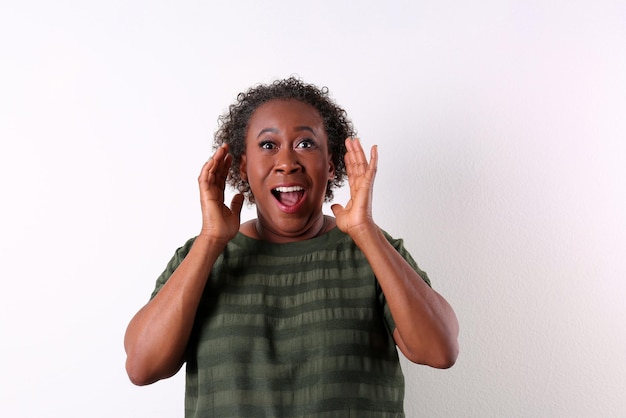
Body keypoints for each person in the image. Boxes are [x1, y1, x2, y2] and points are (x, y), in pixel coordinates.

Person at [124, 77, 459, 417]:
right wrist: (211, 239)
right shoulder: (200, 258)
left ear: (330, 164)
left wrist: (365, 232)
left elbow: (440, 351)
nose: (287, 162)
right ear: (243, 166)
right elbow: (142, 367)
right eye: (268, 145)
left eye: (305, 144)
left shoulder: (373, 252)